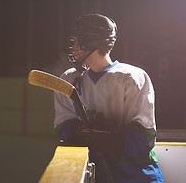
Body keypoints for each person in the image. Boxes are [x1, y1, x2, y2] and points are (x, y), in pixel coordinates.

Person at [53, 14, 164, 183]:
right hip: (99, 176)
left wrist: (108, 139)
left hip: (137, 175)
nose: (73, 47)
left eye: (78, 41)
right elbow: (62, 126)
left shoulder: (132, 78)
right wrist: (77, 131)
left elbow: (144, 137)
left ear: (92, 43)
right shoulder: (68, 80)